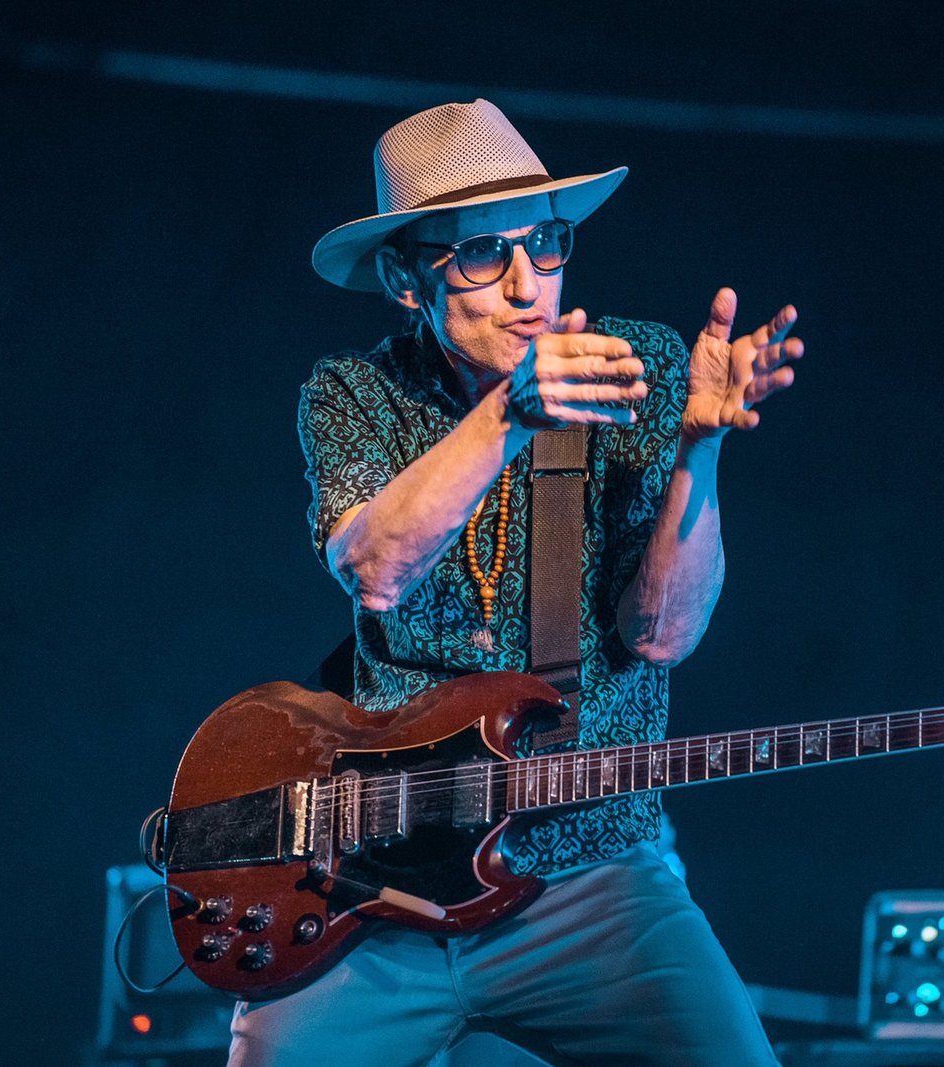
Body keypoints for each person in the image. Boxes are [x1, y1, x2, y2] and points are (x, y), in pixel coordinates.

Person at [226, 100, 802, 1066]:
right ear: (410, 280)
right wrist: (510, 415)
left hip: (593, 871)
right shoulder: (354, 394)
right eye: (485, 255)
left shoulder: (639, 368)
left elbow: (662, 633)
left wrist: (699, 452)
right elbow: (374, 569)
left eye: (546, 244)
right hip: (381, 889)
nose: (530, 285)